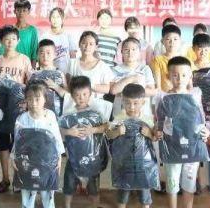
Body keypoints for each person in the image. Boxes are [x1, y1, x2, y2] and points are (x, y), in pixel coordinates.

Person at [155, 56, 209, 208]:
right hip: (171, 147)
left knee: (189, 184)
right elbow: (158, 122)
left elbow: (201, 120)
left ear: (190, 76)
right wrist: (157, 131)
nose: (180, 79)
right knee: (172, 183)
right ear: (168, 76)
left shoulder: (196, 95)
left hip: (193, 146)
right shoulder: (163, 97)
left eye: (184, 75)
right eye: (175, 75)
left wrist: (206, 132)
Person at [0, 25, 32, 193]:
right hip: (0, 106)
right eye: (6, 39)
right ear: (1, 41)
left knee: (19, 144)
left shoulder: (24, 59)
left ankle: (19, 179)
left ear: (18, 40)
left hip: (18, 106)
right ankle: (5, 178)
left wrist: (27, 102)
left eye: (13, 39)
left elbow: (30, 83)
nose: (10, 42)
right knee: (3, 142)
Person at [14, 82, 65, 208]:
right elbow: (17, 140)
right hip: (27, 161)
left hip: (47, 161)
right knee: (27, 191)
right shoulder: (22, 118)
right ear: (26, 99)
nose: (33, 103)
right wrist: (13, 158)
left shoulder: (50, 116)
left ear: (45, 99)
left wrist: (59, 158)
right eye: (30, 99)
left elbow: (56, 138)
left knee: (47, 193)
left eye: (37, 99)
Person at [60, 76, 108, 208]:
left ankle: (95, 205)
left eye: (85, 94)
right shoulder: (68, 114)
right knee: (69, 182)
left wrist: (94, 129)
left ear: (90, 93)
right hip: (73, 158)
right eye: (77, 95)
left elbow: (106, 127)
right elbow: (58, 130)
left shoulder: (96, 113)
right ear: (72, 96)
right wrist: (69, 132)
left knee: (93, 186)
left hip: (92, 158)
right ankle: (67, 205)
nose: (81, 98)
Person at [106, 84, 156, 208]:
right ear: (122, 101)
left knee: (145, 192)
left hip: (143, 163)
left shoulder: (148, 119)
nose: (131, 107)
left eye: (135, 103)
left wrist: (149, 133)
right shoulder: (119, 118)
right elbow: (109, 135)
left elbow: (155, 138)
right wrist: (117, 132)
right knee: (123, 191)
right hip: (124, 163)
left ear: (143, 102)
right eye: (127, 103)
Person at [110, 37, 156, 118]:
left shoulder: (145, 69)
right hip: (120, 111)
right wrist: (132, 78)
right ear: (121, 52)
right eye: (126, 49)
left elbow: (151, 91)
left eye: (134, 49)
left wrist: (126, 89)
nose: (130, 52)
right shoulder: (114, 69)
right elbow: (113, 90)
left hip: (142, 113)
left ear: (139, 52)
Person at [66, 31, 114, 99]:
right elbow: (69, 86)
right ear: (79, 44)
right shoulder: (72, 63)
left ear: (96, 47)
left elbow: (108, 89)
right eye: (84, 43)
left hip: (96, 102)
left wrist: (88, 85)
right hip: (76, 101)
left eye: (91, 44)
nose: (87, 46)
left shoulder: (102, 66)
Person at [28, 39, 67, 117]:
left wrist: (55, 86)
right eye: (42, 53)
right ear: (37, 55)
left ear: (55, 54)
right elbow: (28, 95)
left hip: (57, 115)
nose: (45, 56)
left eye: (48, 53)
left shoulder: (60, 74)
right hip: (36, 115)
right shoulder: (32, 73)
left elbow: (67, 96)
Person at [40, 8, 77, 73]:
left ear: (62, 19)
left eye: (58, 17)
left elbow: (73, 56)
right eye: (53, 17)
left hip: (66, 72)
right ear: (50, 19)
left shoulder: (68, 35)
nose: (55, 19)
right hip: (49, 72)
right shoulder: (44, 36)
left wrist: (71, 73)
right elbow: (40, 56)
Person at [150, 24, 184, 92]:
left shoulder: (185, 61)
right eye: (168, 39)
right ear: (162, 41)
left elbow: (189, 85)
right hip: (164, 96)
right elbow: (158, 87)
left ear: (180, 40)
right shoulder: (157, 61)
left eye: (175, 39)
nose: (172, 42)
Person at [10, 0, 39, 67]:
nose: (21, 13)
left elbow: (34, 53)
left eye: (24, 10)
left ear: (28, 12)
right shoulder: (10, 30)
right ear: (14, 11)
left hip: (27, 67)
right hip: (11, 66)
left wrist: (32, 70)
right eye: (18, 10)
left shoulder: (32, 30)